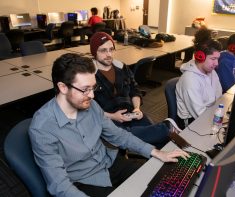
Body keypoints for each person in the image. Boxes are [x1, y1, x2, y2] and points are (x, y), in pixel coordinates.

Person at [29, 53, 189, 197]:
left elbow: (119, 135)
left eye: (93, 88)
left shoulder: (90, 105)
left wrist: (155, 152)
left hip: (108, 162)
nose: (92, 95)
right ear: (63, 87)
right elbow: (59, 185)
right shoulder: (42, 128)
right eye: (85, 89)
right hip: (83, 181)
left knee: (159, 179)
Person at [89, 32, 182, 148]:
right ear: (94, 52)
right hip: (107, 119)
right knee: (126, 135)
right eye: (103, 50)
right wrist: (113, 116)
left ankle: (171, 154)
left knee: (160, 139)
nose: (108, 54)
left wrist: (137, 108)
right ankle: (167, 128)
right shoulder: (88, 75)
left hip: (131, 113)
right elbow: (88, 108)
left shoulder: (122, 67)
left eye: (111, 49)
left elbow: (135, 90)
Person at [176, 27, 223, 129]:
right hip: (192, 122)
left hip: (209, 113)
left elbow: (219, 96)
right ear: (200, 56)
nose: (216, 63)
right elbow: (199, 114)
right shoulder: (190, 80)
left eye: (218, 59)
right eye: (213, 59)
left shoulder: (212, 72)